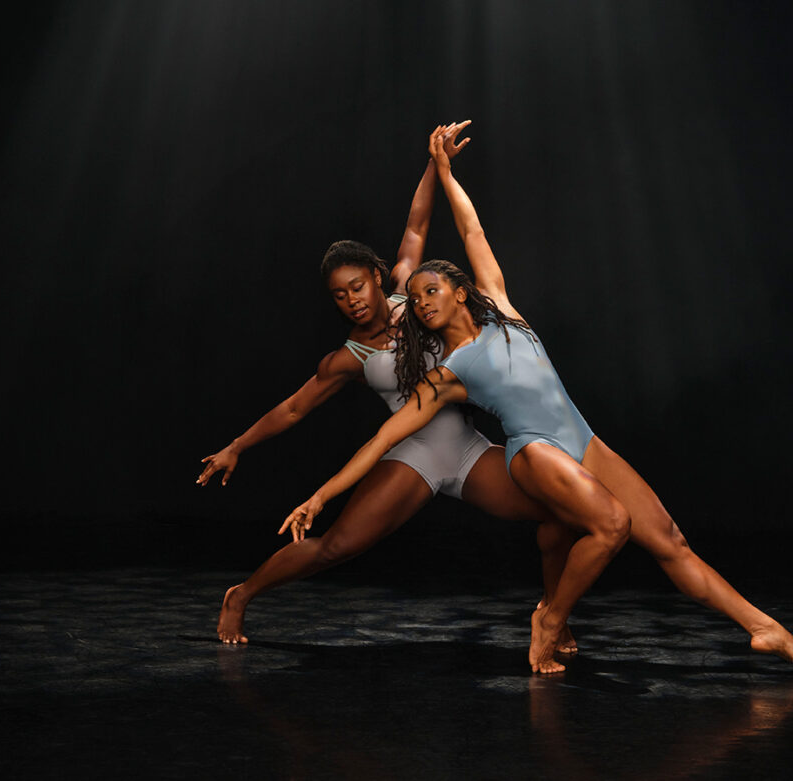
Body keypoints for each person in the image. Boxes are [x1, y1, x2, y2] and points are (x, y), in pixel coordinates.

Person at [285, 125, 793, 676]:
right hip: (535, 451)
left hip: (582, 440)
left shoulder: (503, 308)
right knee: (611, 527)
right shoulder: (446, 373)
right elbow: (384, 440)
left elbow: (471, 227)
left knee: (669, 539)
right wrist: (321, 497)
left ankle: (762, 627)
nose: (420, 304)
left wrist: (444, 171)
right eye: (414, 301)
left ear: (460, 290)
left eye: (430, 291)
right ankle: (550, 617)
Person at [198, 122, 576, 650]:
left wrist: (433, 161)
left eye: (357, 286)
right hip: (413, 454)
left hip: (467, 449)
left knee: (561, 512)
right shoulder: (347, 358)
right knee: (335, 548)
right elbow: (291, 411)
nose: (352, 299)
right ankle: (242, 595)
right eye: (339, 295)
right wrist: (236, 446)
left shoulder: (408, 295)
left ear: (378, 277)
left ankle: (553, 615)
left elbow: (417, 224)